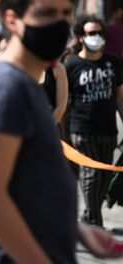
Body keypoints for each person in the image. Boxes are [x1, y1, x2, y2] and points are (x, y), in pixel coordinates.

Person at [0, 0, 123, 263]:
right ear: (12, 19)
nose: (59, 23)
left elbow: (24, 191)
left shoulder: (23, 83)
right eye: (47, 13)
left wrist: (76, 232)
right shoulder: (5, 87)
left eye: (66, 14)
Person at [66, 15, 123, 227]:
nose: (96, 37)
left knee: (104, 176)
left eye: (99, 33)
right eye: (91, 33)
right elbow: (66, 101)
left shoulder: (113, 63)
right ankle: (94, 220)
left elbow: (119, 96)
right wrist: (64, 132)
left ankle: (91, 213)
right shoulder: (72, 66)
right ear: (81, 37)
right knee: (90, 174)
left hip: (108, 129)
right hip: (82, 128)